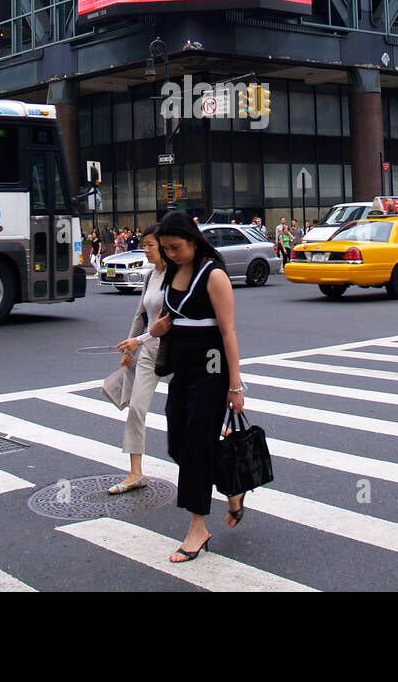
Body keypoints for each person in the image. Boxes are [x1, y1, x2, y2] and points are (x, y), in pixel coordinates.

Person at [150, 212, 245, 563]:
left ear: (192, 240)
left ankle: (197, 529)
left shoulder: (214, 274)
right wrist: (158, 331)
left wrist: (235, 386)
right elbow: (170, 317)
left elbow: (228, 331)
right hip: (182, 371)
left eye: (175, 247)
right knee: (178, 443)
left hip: (212, 368)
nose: (171, 254)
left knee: (194, 447)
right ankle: (232, 487)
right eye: (166, 249)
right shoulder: (174, 271)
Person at [110, 224, 167, 493]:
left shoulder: (176, 278)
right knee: (136, 408)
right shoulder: (150, 276)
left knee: (192, 408)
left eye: (150, 245)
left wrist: (138, 341)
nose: (145, 250)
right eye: (144, 245)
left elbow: (170, 322)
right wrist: (129, 348)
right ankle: (135, 472)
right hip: (148, 353)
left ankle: (224, 430)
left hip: (173, 353)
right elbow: (141, 315)